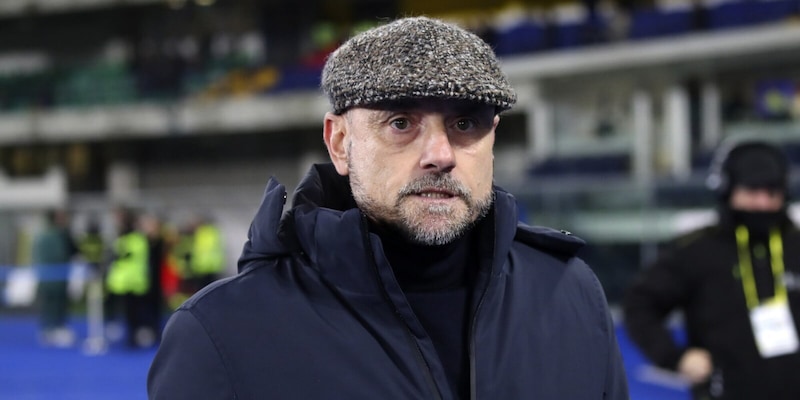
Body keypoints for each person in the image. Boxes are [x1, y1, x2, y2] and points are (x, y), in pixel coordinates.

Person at [148, 16, 628, 399]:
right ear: (340, 143)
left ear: (493, 139)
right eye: (401, 123)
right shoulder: (221, 333)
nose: (440, 154)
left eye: (465, 123)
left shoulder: (572, 293)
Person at [623, 140, 800, 399]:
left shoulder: (796, 245)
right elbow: (640, 304)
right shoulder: (697, 251)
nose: (763, 202)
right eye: (752, 191)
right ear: (728, 189)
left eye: (772, 191)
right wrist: (676, 356)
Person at [33, 208, 78, 347]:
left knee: (54, 304)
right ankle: (52, 330)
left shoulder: (46, 235)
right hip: (54, 277)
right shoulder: (53, 236)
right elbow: (60, 255)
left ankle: (52, 329)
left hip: (51, 277)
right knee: (53, 304)